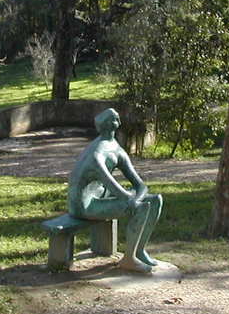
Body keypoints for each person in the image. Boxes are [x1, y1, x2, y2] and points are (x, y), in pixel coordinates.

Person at [68, 108, 163, 273]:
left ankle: (139, 251)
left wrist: (137, 197)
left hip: (100, 195)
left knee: (155, 201)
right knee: (141, 208)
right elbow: (111, 184)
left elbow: (140, 185)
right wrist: (132, 201)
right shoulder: (97, 153)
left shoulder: (116, 148)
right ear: (105, 125)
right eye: (114, 119)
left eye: (117, 118)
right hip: (83, 204)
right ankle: (129, 259)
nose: (118, 121)